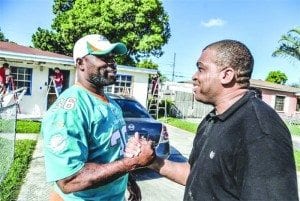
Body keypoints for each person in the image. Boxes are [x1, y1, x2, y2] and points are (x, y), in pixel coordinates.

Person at [128, 39, 299, 200]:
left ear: (226, 75)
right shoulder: (212, 119)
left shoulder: (260, 130)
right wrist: (153, 161)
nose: (194, 76)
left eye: (201, 69)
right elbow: (194, 175)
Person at [41, 34, 155, 201]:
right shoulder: (69, 111)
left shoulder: (112, 104)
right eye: (103, 57)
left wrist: (129, 182)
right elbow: (69, 180)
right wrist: (134, 162)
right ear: (80, 63)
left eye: (112, 57)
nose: (112, 62)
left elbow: (112, 155)